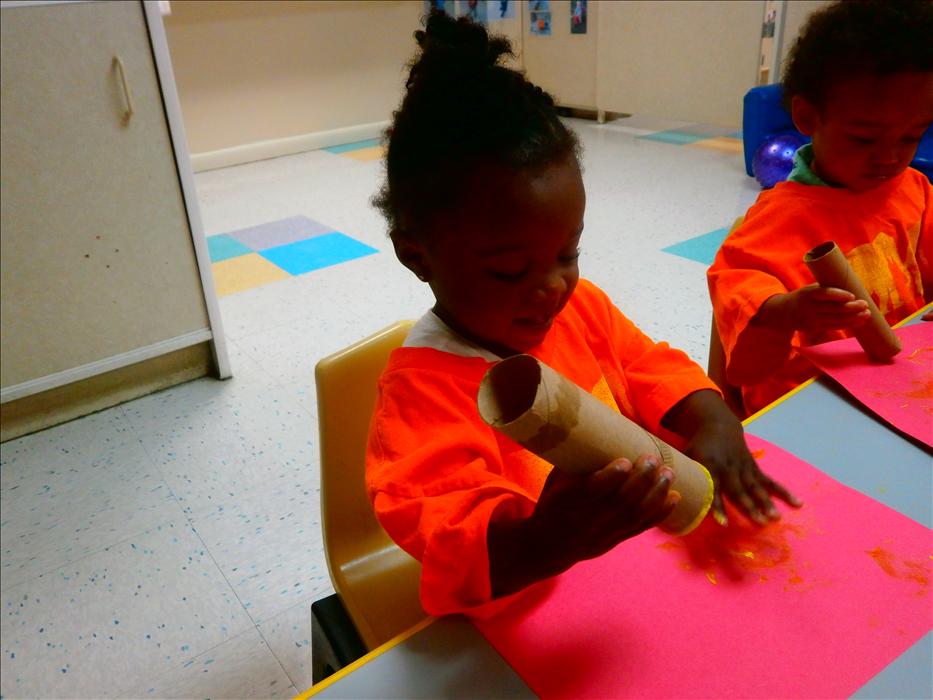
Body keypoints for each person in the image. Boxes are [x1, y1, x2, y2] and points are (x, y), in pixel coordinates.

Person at [366, 11, 799, 618]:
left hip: (638, 579)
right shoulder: (420, 399)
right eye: (510, 270)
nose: (552, 287)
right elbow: (453, 542)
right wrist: (549, 537)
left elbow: (650, 366)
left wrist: (714, 419)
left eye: (567, 253)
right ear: (418, 256)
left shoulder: (580, 306)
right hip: (534, 615)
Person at [708, 0, 933, 417]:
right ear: (808, 115)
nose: (889, 157)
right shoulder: (771, 227)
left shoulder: (915, 189)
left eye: (910, 137)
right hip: (812, 405)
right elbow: (744, 366)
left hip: (900, 386)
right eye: (865, 139)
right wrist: (784, 312)